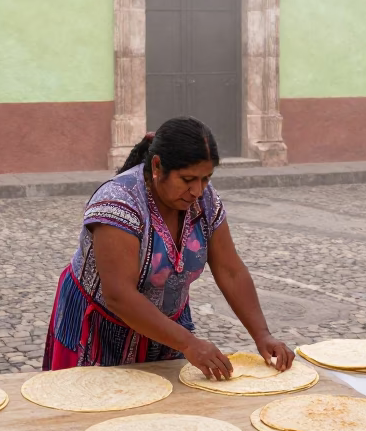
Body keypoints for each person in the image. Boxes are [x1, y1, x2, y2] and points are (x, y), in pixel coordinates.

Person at [41, 116, 294, 380]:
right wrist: (189, 344)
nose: (197, 190)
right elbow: (118, 294)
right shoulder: (118, 202)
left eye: (206, 178)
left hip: (166, 329)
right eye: (187, 179)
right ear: (158, 166)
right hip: (100, 327)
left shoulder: (205, 201)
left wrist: (263, 334)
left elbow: (230, 270)